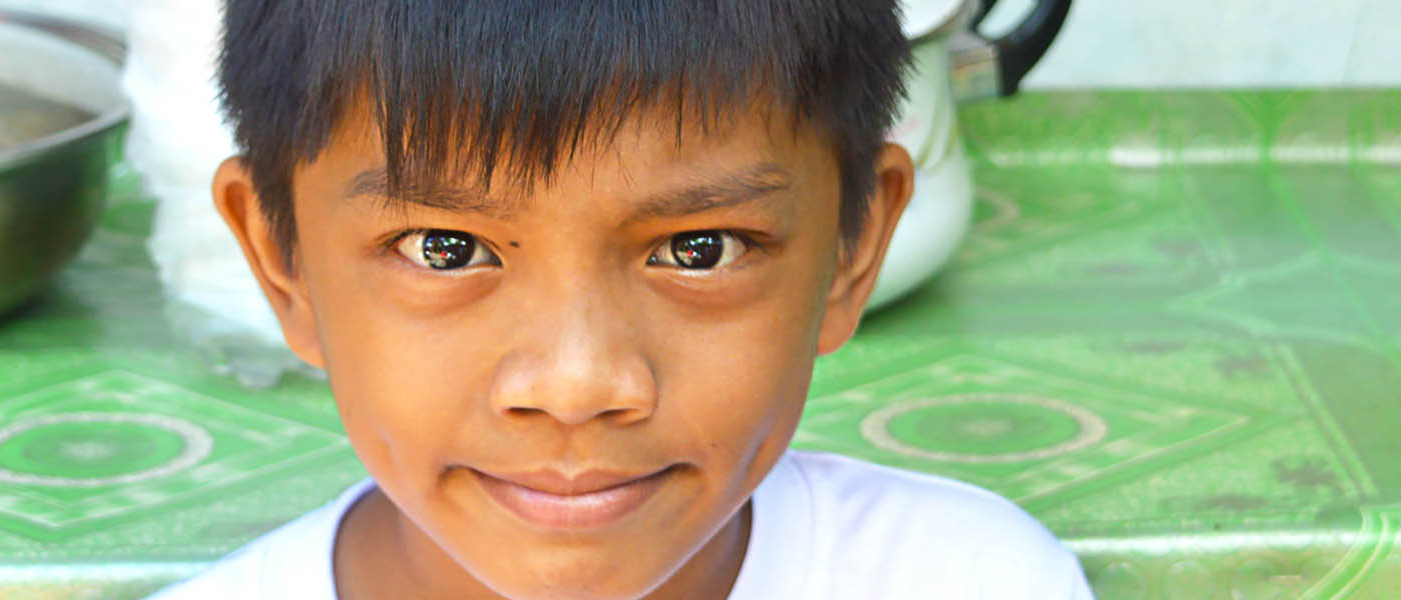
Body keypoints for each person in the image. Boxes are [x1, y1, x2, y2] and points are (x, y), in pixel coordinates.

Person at [151, 1, 1095, 598]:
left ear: (853, 250)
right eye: (446, 249)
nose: (577, 386)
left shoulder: (970, 581)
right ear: (285, 265)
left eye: (698, 248)